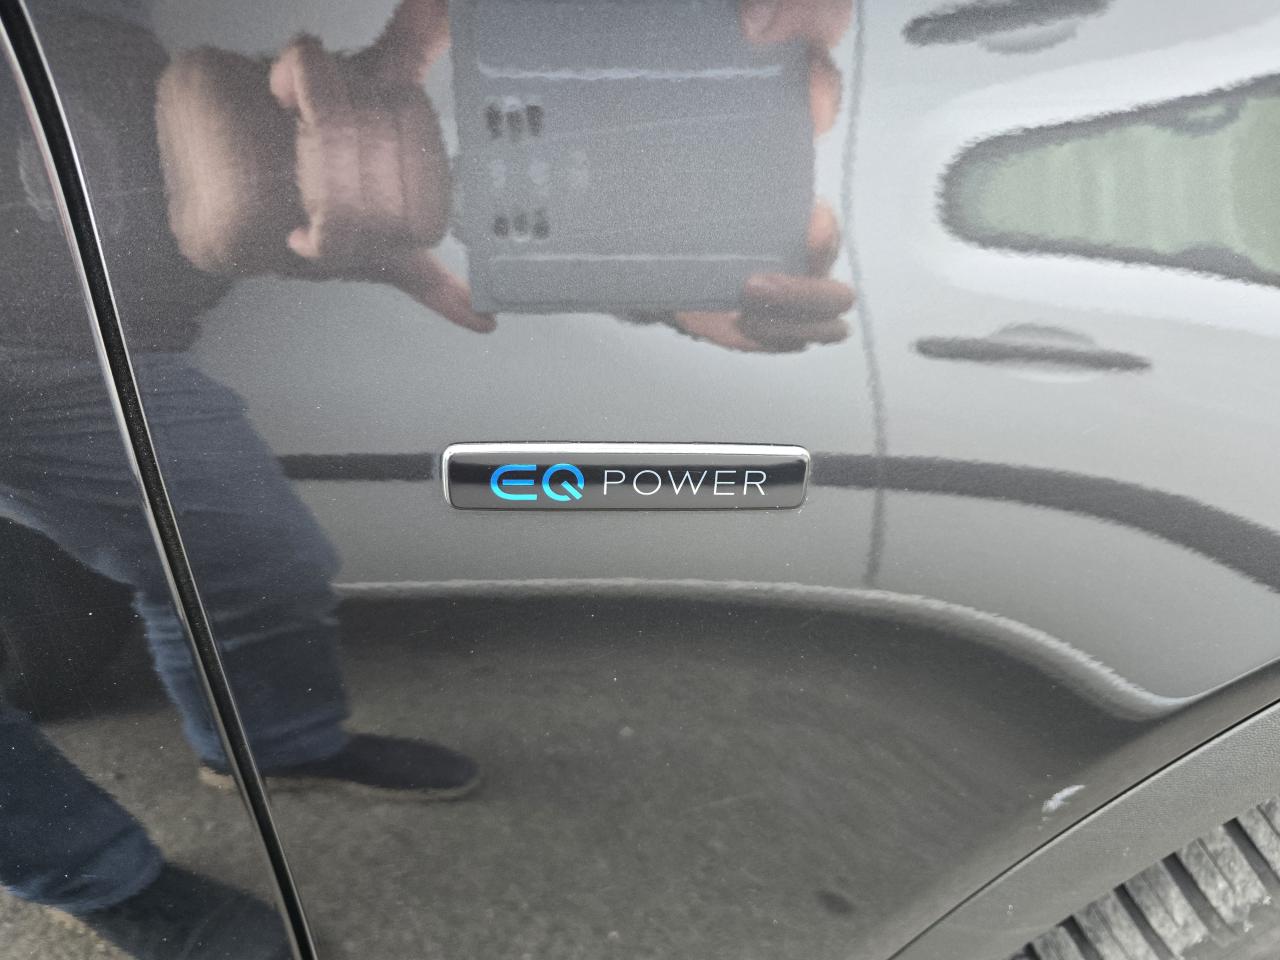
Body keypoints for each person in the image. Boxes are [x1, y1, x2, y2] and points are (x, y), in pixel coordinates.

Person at [0, 0, 853, 957]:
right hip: (76, 329)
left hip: (77, 347)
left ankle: (273, 749)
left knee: (250, 556)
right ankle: (107, 884)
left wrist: (653, 285)